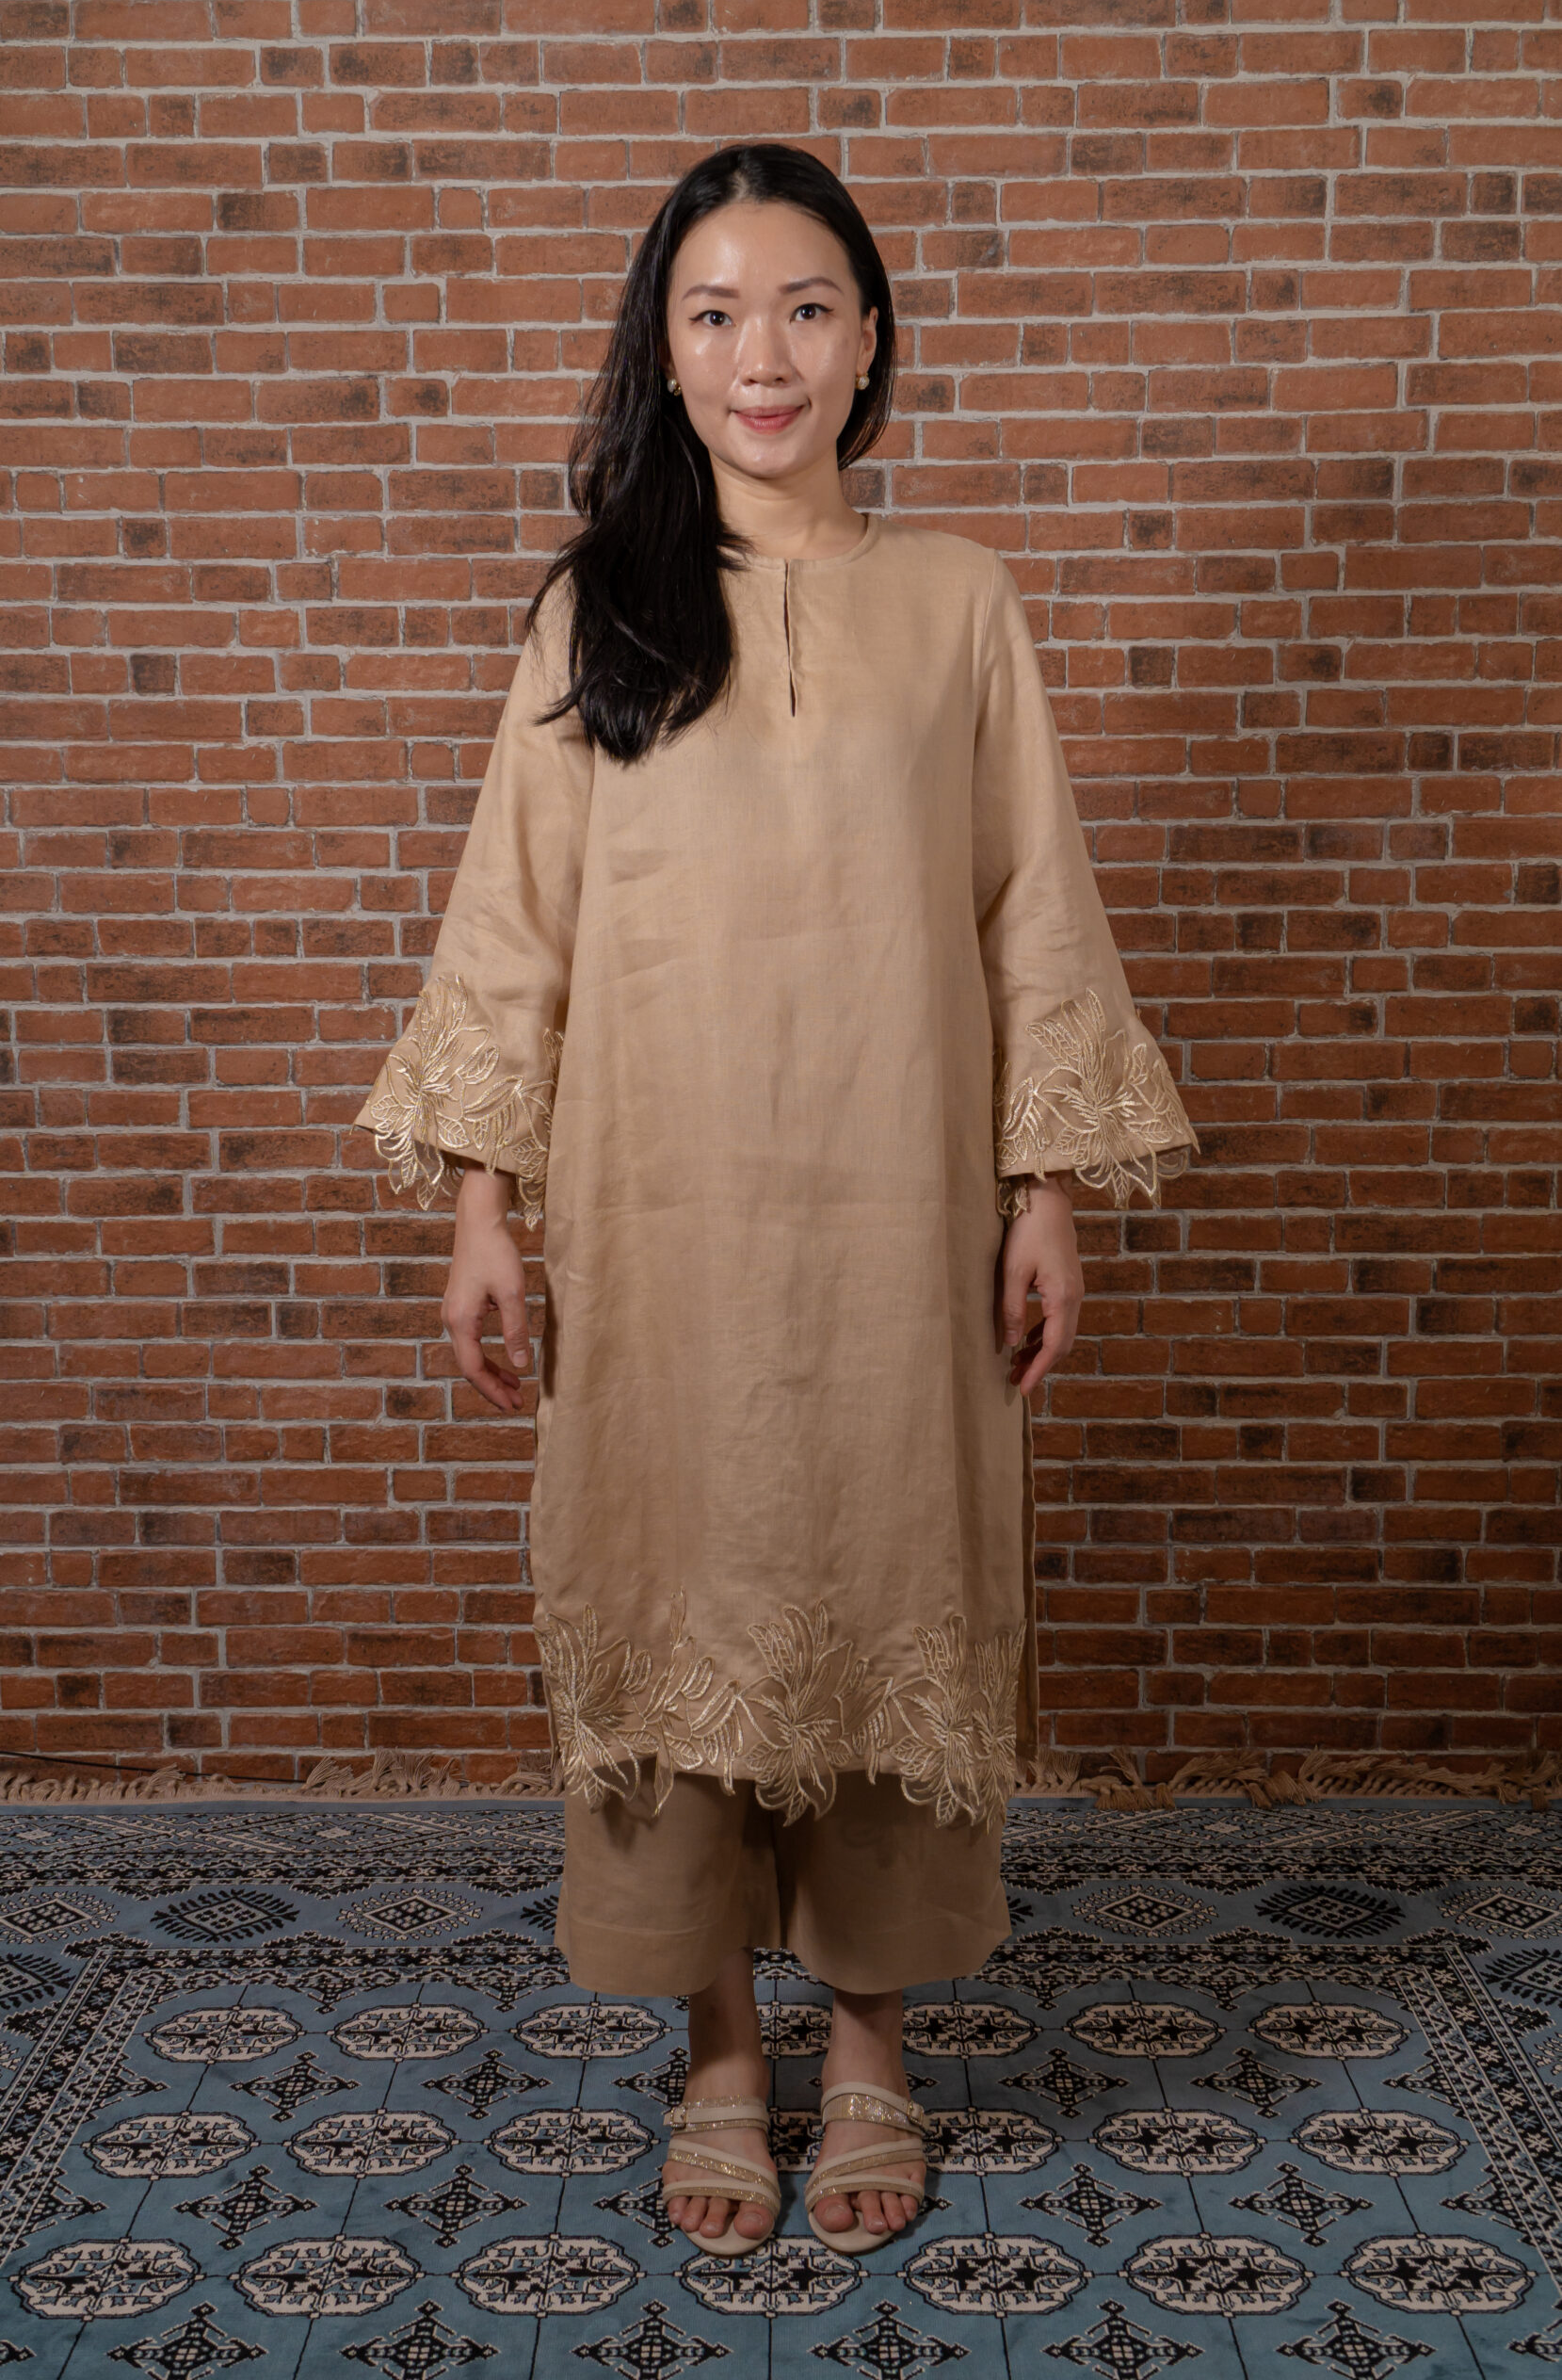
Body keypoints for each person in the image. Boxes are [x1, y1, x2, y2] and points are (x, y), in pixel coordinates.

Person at [353, 141, 1197, 2259]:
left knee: (893, 1563)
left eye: (807, 307)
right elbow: (512, 931)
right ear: (665, 348)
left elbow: (1029, 912)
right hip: (663, 1224)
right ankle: (723, 2049)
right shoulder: (597, 610)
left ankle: (876, 2041)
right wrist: (483, 1208)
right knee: (677, 1570)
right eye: (717, 311)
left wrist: (1045, 1188)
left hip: (902, 1217)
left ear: (871, 339)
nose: (765, 353)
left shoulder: (959, 601)